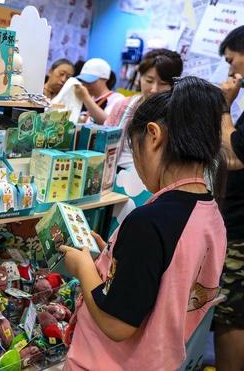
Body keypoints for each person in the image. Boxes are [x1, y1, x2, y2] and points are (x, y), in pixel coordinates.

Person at [61, 77, 227, 370]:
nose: (137, 165)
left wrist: (83, 267)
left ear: (153, 136)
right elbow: (165, 283)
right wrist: (114, 258)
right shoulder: (211, 216)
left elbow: (116, 324)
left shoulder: (149, 223)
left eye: (134, 151)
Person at [216, 25, 244, 371]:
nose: (230, 68)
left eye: (231, 59)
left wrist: (224, 107)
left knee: (231, 313)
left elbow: (235, 157)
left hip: (240, 230)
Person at [106, 49, 184, 169]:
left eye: (163, 83)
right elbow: (105, 140)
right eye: (149, 81)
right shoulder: (123, 106)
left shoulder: (178, 115)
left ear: (174, 84)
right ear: (140, 77)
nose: (154, 89)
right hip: (114, 172)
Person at [73, 58, 123, 124]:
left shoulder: (117, 99)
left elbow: (107, 122)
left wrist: (85, 98)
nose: (86, 84)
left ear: (105, 79)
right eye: (84, 80)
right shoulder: (87, 97)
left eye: (90, 81)